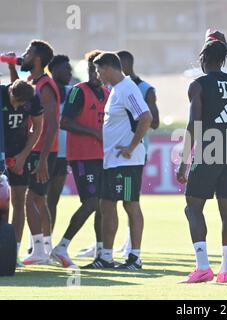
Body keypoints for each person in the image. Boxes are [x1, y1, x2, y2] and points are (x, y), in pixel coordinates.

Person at [176, 30, 227, 284]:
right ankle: (224, 271)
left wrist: (184, 161)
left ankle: (202, 267)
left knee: (193, 207)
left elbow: (193, 125)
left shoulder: (198, 85)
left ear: (203, 58)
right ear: (223, 58)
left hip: (210, 149)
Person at [82, 52, 152, 270]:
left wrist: (131, 147)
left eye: (99, 69)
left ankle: (135, 258)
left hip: (127, 161)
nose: (97, 74)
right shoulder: (116, 90)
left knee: (130, 205)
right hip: (113, 161)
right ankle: (106, 257)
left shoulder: (127, 88)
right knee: (106, 204)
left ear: (110, 68)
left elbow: (146, 117)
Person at [51, 50, 109, 268]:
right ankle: (62, 246)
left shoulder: (106, 92)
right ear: (88, 70)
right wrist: (93, 133)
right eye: (92, 69)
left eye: (98, 69)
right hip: (83, 156)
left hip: (102, 155)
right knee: (92, 202)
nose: (95, 73)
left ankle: (102, 253)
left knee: (103, 204)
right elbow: (64, 122)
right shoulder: (78, 91)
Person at [13, 40, 60, 265]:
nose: (24, 55)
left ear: (38, 59)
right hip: (39, 149)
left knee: (31, 199)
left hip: (43, 151)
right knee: (39, 200)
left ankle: (39, 250)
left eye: (28, 52)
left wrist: (42, 160)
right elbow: (16, 94)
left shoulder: (46, 85)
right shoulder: (33, 82)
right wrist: (12, 67)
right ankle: (45, 249)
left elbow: (51, 124)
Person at [115, 50, 160, 257]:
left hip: (134, 151)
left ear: (125, 65)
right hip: (115, 152)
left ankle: (130, 244)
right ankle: (103, 245)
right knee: (109, 200)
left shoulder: (144, 89)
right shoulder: (114, 87)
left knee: (130, 199)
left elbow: (155, 121)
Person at [0, 80, 42, 266]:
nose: (17, 106)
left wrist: (23, 156)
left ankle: (13, 253)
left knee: (18, 200)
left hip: (19, 153)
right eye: (14, 101)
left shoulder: (34, 98)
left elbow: (38, 128)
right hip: (1, 151)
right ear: (10, 91)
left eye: (21, 104)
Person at [47, 55, 72, 231]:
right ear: (54, 70)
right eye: (66, 69)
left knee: (52, 201)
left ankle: (46, 243)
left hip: (63, 155)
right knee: (38, 199)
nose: (69, 72)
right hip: (44, 153)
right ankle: (36, 243)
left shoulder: (73, 92)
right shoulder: (43, 90)